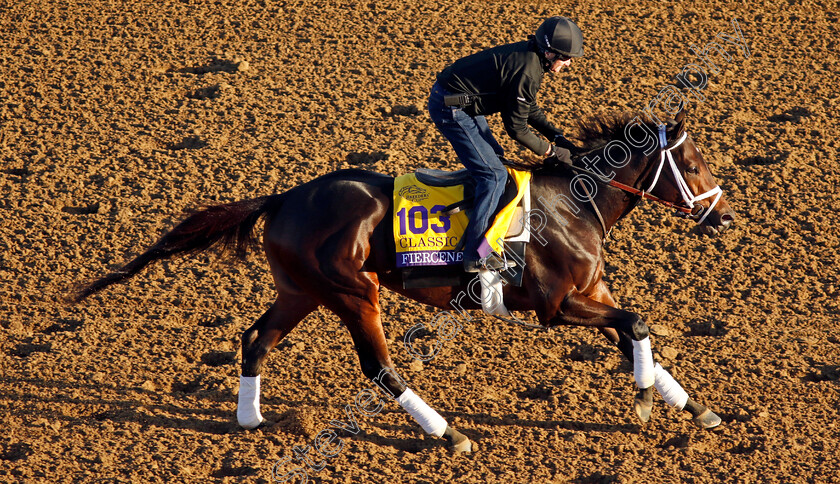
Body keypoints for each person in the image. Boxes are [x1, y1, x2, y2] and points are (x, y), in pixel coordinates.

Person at [428, 16, 585, 272]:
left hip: (465, 104)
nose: (568, 63)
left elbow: (528, 108)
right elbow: (517, 128)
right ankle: (475, 254)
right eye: (566, 57)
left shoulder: (532, 59)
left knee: (497, 160)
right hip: (451, 110)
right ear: (549, 52)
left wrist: (557, 135)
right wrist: (550, 151)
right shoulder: (527, 70)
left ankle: (482, 221)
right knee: (493, 175)